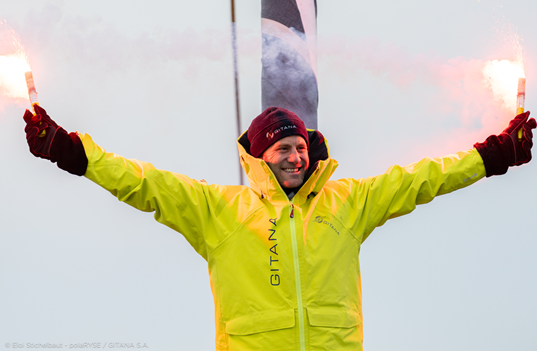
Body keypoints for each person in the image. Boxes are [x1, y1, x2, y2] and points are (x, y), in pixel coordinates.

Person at [23, 105, 536, 351]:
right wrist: (75, 154)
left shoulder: (349, 202)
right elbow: (146, 183)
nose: (295, 156)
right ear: (260, 157)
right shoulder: (219, 209)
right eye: (282, 148)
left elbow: (422, 180)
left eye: (300, 148)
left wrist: (489, 156)